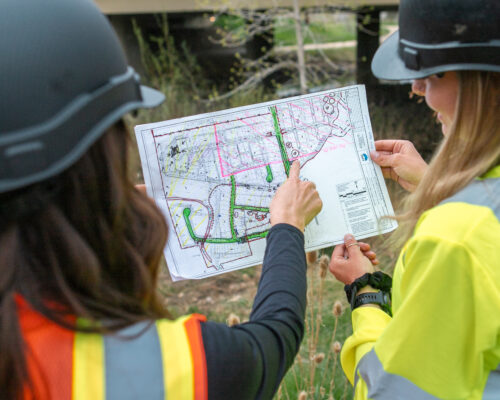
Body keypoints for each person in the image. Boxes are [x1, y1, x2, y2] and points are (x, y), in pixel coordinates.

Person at [0, 0, 325, 399]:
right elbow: (270, 343)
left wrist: (106, 214)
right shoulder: (160, 366)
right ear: (100, 157)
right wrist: (287, 227)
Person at [328, 0, 500, 398]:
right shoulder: (468, 220)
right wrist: (436, 188)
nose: (417, 89)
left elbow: (394, 389)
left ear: (483, 81)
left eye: (431, 75)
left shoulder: (453, 240)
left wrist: (366, 296)